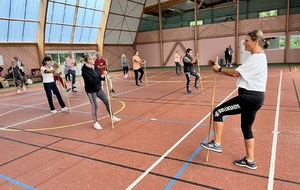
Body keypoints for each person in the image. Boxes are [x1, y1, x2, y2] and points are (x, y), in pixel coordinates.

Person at [201, 30, 269, 170]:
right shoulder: (259, 57)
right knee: (246, 127)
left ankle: (217, 143)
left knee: (218, 112)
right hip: (256, 97)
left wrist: (219, 69)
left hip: (249, 98)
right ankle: (250, 160)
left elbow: (236, 73)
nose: (244, 43)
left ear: (255, 42)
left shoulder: (257, 58)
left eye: (247, 41)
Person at [81, 53, 121, 130]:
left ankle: (112, 116)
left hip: (98, 88)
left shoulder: (94, 66)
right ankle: (95, 123)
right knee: (95, 106)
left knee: (107, 101)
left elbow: (98, 75)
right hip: (91, 90)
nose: (94, 60)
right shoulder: (84, 70)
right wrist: (101, 76)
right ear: (88, 60)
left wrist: (104, 76)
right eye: (92, 59)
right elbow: (92, 81)